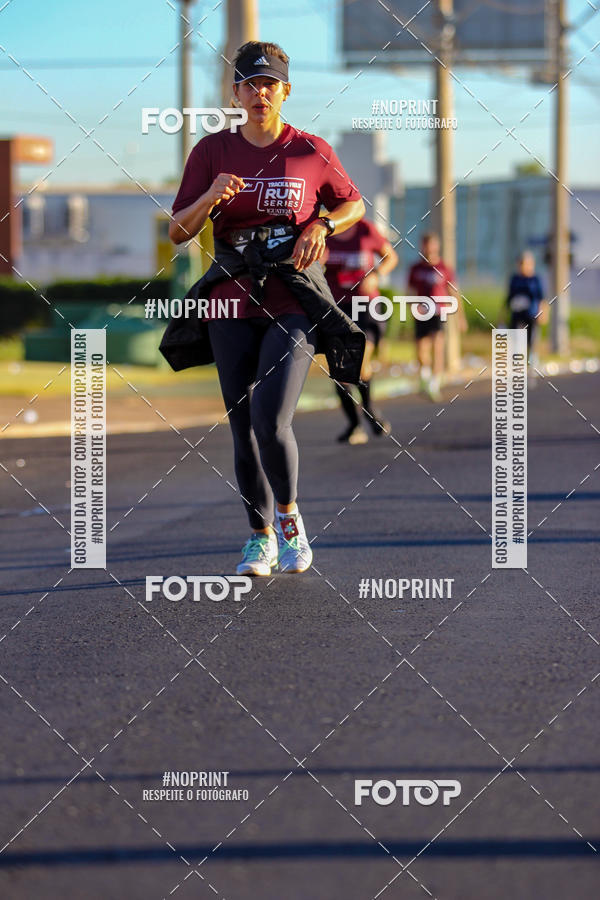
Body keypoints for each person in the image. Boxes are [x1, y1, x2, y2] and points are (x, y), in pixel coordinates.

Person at [169, 40, 365, 576]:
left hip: (291, 297)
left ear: (286, 91)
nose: (260, 93)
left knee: (270, 418)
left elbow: (354, 202)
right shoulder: (211, 152)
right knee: (240, 425)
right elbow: (178, 232)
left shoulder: (311, 150)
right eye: (250, 84)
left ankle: (291, 520)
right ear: (235, 92)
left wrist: (323, 223)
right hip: (231, 300)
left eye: (270, 84)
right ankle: (259, 538)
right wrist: (210, 196)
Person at [323, 219, 398, 443]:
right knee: (339, 371)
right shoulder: (322, 230)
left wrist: (376, 274)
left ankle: (370, 411)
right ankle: (355, 424)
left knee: (360, 363)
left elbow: (390, 257)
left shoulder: (365, 229)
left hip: (366, 306)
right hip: (336, 307)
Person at [407, 232, 466, 402]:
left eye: (431, 244)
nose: (428, 248)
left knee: (438, 347)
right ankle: (425, 377)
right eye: (425, 245)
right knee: (421, 350)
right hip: (421, 312)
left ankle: (433, 384)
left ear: (437, 246)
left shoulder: (444, 268)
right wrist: (411, 306)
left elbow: (454, 293)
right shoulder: (415, 268)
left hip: (439, 312)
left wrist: (460, 318)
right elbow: (409, 291)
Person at [506, 250, 547, 368]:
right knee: (514, 337)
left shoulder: (535, 280)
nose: (523, 266)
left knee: (531, 339)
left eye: (526, 263)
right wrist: (503, 314)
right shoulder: (515, 279)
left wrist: (542, 314)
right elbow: (509, 297)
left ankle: (532, 360)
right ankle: (516, 360)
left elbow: (542, 298)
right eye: (521, 264)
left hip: (531, 314)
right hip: (516, 314)